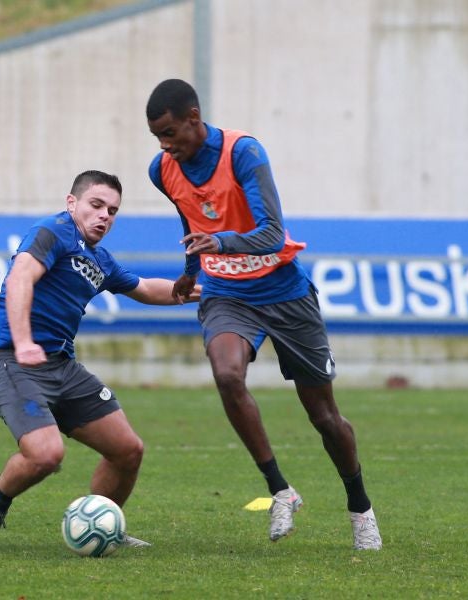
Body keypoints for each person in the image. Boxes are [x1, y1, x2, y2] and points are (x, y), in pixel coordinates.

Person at [145, 79, 382, 550]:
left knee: (324, 417)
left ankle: (360, 507)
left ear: (194, 116)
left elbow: (272, 234)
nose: (166, 145)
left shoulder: (244, 153)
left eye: (171, 132)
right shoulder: (162, 170)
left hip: (284, 291)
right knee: (228, 375)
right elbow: (191, 218)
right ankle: (280, 489)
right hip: (226, 292)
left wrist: (223, 242)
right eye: (158, 137)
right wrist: (192, 270)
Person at [0, 169, 199, 549]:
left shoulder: (100, 259)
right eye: (96, 205)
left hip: (62, 366)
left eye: (112, 210)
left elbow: (144, 288)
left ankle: (104, 524)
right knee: (46, 455)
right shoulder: (53, 232)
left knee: (128, 450)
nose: (104, 216)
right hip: (13, 360)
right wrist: (24, 341)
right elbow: (20, 279)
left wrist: (204, 293)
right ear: (71, 202)